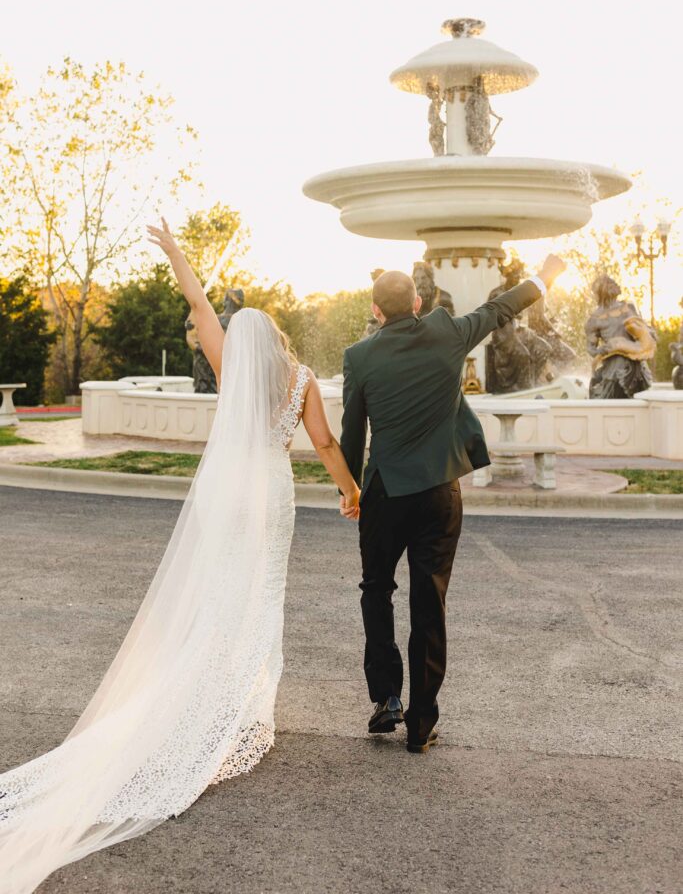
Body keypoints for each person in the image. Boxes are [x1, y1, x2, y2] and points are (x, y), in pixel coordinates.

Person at [0, 218, 360, 894]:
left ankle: (217, 701)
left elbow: (198, 305)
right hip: (272, 496)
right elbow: (327, 445)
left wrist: (175, 254)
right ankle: (241, 709)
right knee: (260, 597)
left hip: (228, 493)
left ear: (240, 340)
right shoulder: (303, 377)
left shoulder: (232, 368)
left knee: (218, 594)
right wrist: (350, 492)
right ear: (276, 336)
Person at [339, 255, 566, 752]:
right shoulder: (447, 332)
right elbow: (500, 308)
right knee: (429, 599)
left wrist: (350, 490)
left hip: (385, 494)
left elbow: (352, 432)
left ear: (376, 310)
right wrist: (544, 277)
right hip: (441, 493)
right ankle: (421, 724)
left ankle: (386, 699)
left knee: (376, 589)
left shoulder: (359, 357)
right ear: (417, 303)